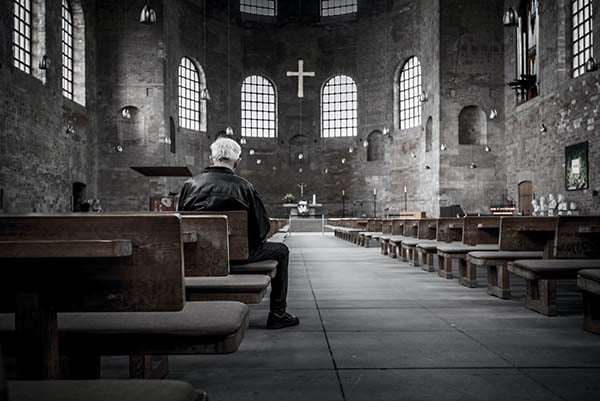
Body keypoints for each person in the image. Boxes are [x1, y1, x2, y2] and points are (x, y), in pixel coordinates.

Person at [178, 137, 299, 330]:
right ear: (238, 161)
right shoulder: (245, 187)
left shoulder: (189, 185)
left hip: (200, 257)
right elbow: (262, 229)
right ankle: (278, 313)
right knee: (281, 250)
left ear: (211, 158)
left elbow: (182, 224)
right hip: (241, 256)